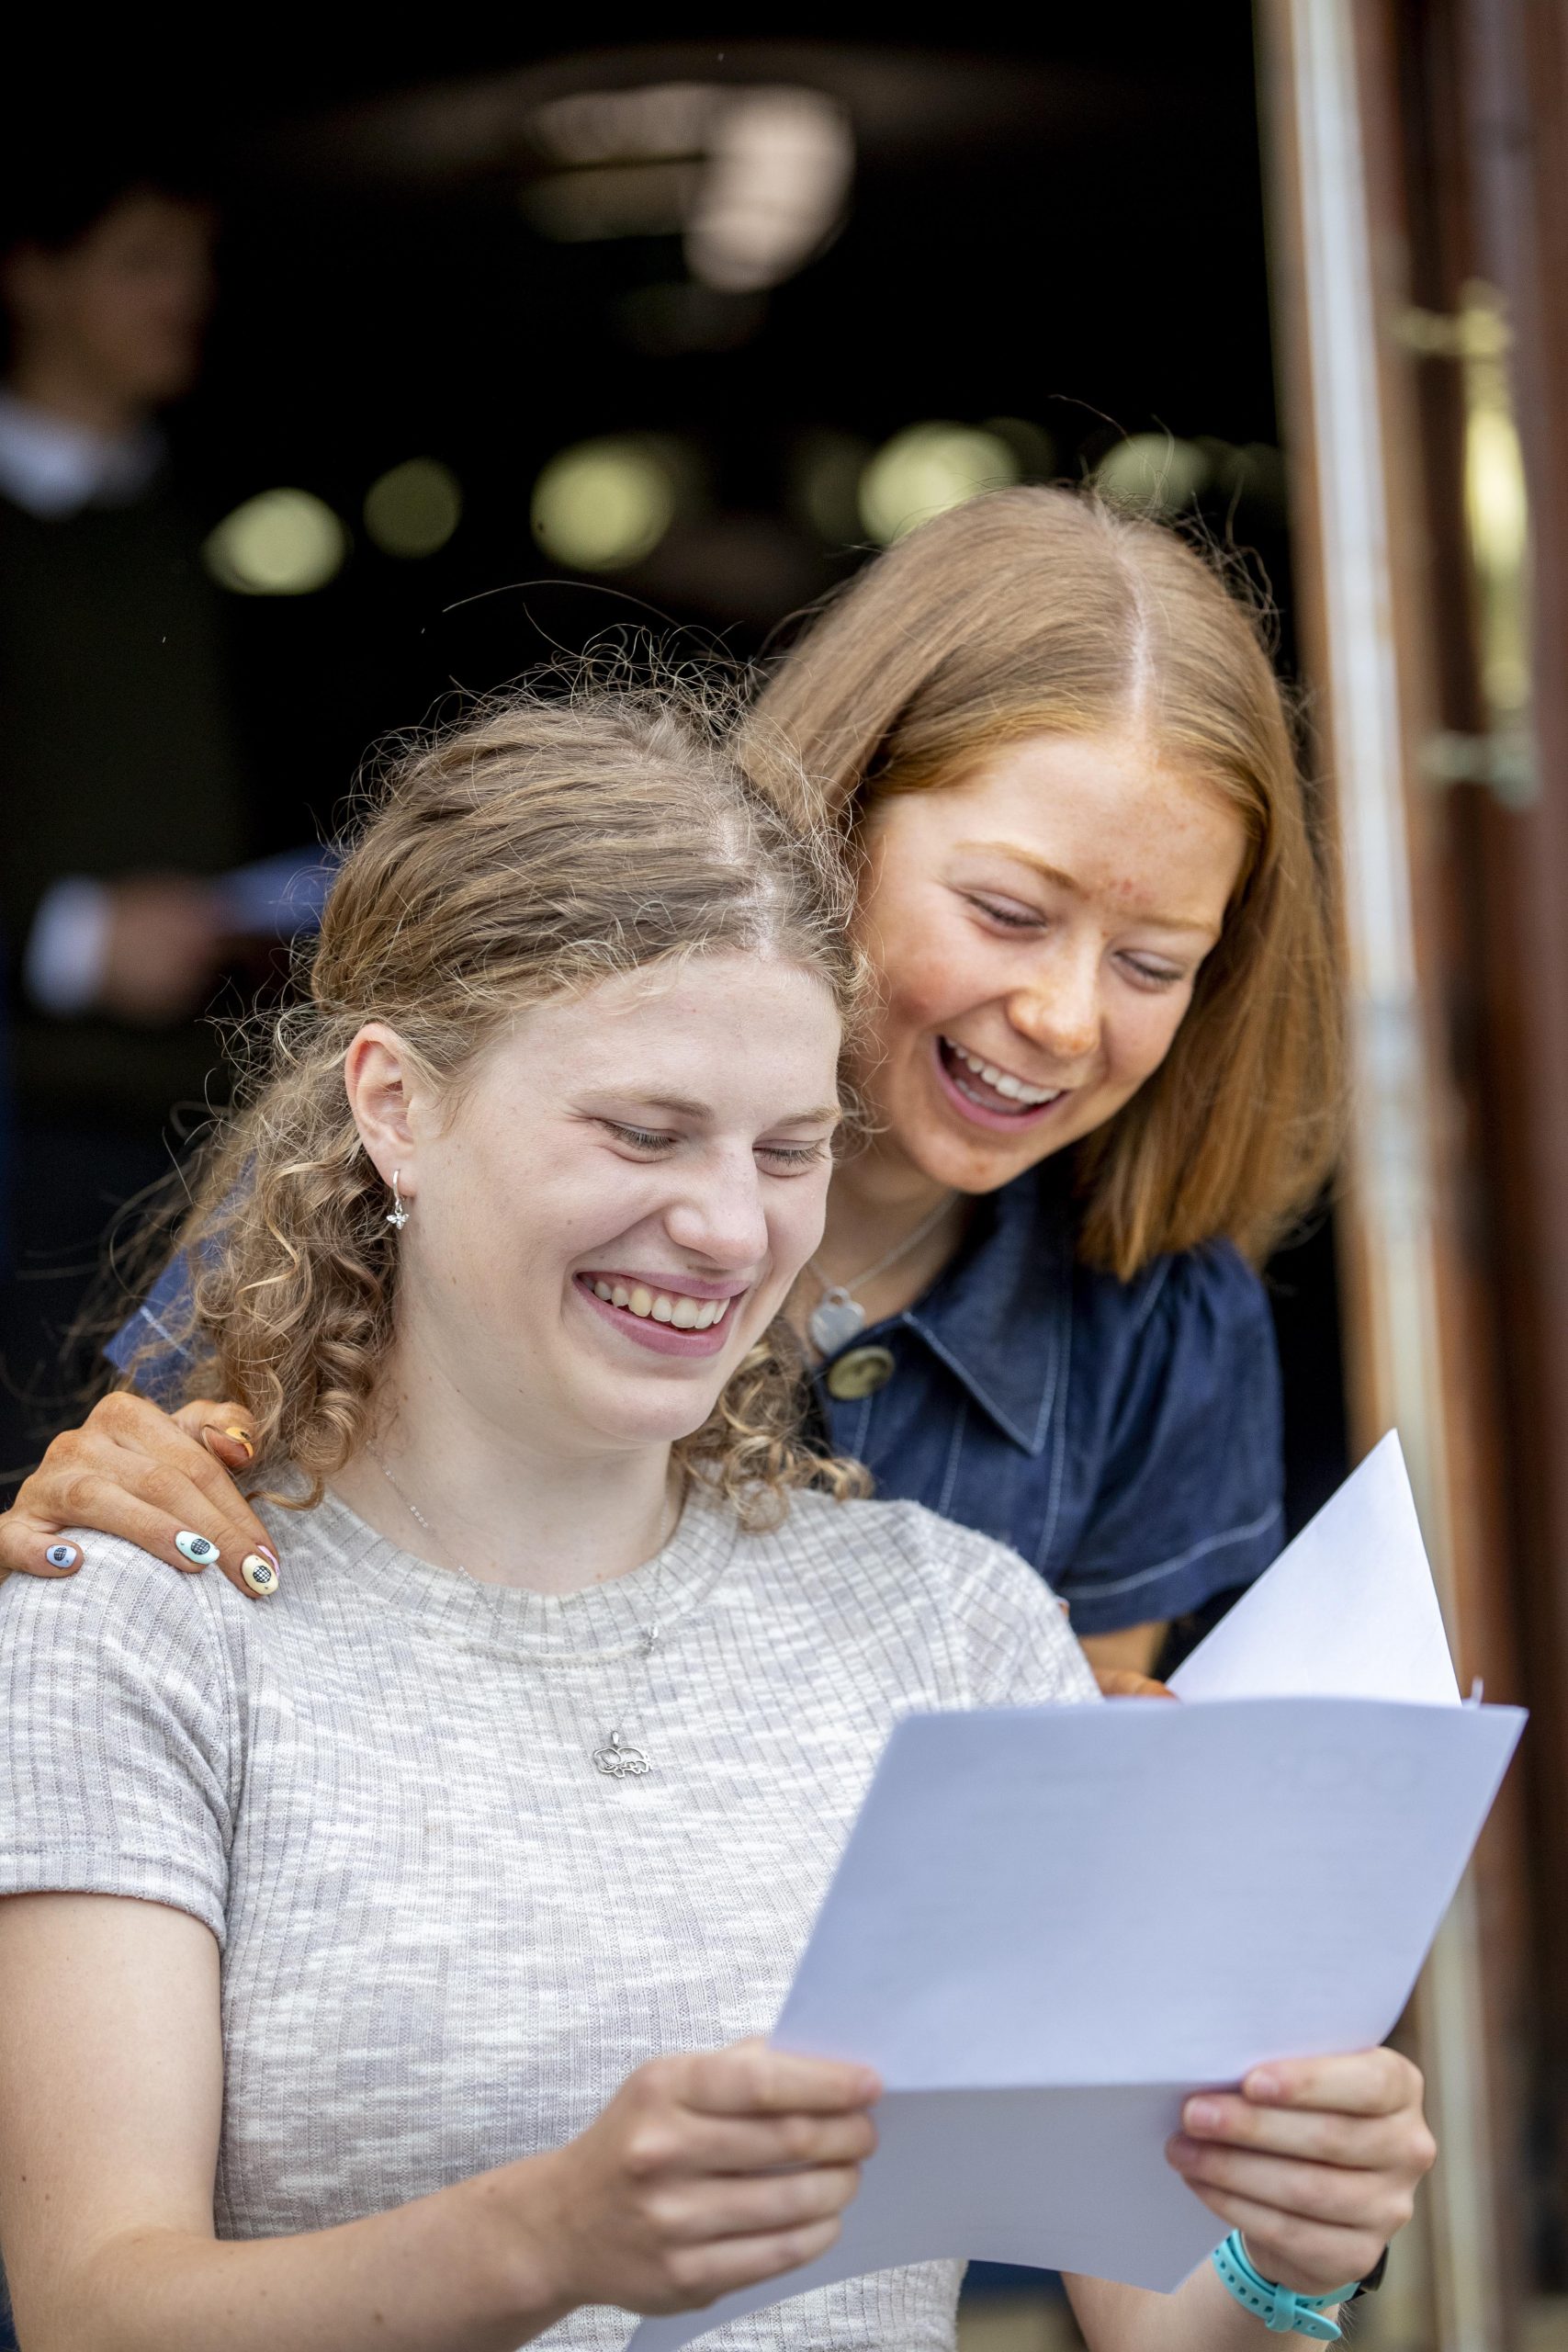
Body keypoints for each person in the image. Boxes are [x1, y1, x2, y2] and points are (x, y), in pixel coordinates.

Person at [0, 692, 1433, 2352]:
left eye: (791, 1147)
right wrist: (547, 2238)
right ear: (395, 1105)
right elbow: (101, 2312)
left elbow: (1155, 2321)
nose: (726, 1226)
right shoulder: (138, 1616)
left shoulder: (955, 1623)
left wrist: (1287, 2246)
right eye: (642, 1130)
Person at [0, 489, 1335, 1702]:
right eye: (1004, 911)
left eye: (1154, 963)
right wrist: (104, 1513)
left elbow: (1074, 1740)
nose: (1062, 1013)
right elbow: (171, 1521)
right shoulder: (413, 1155)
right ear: (830, 828)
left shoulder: (1159, 1312)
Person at [0, 146, 245, 1483]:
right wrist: (72, 937)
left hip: (191, 1114)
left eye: (193, 263)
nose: (185, 296)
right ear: (33, 278)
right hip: (35, 1125)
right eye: (143, 261)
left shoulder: (175, 523)